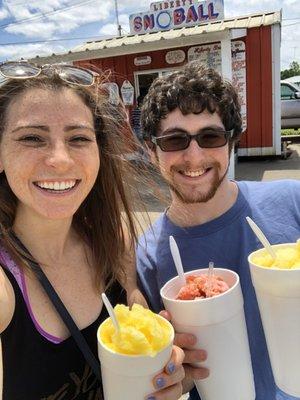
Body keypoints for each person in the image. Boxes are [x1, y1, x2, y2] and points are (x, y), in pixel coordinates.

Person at [0, 61, 186, 400]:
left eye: (79, 138)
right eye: (31, 138)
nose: (60, 159)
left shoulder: (114, 243)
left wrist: (165, 375)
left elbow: (140, 337)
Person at [136, 61, 300, 400]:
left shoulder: (292, 201)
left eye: (210, 136)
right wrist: (173, 378)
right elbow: (174, 371)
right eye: (174, 140)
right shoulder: (149, 255)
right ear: (153, 152)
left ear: (231, 143)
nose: (194, 157)